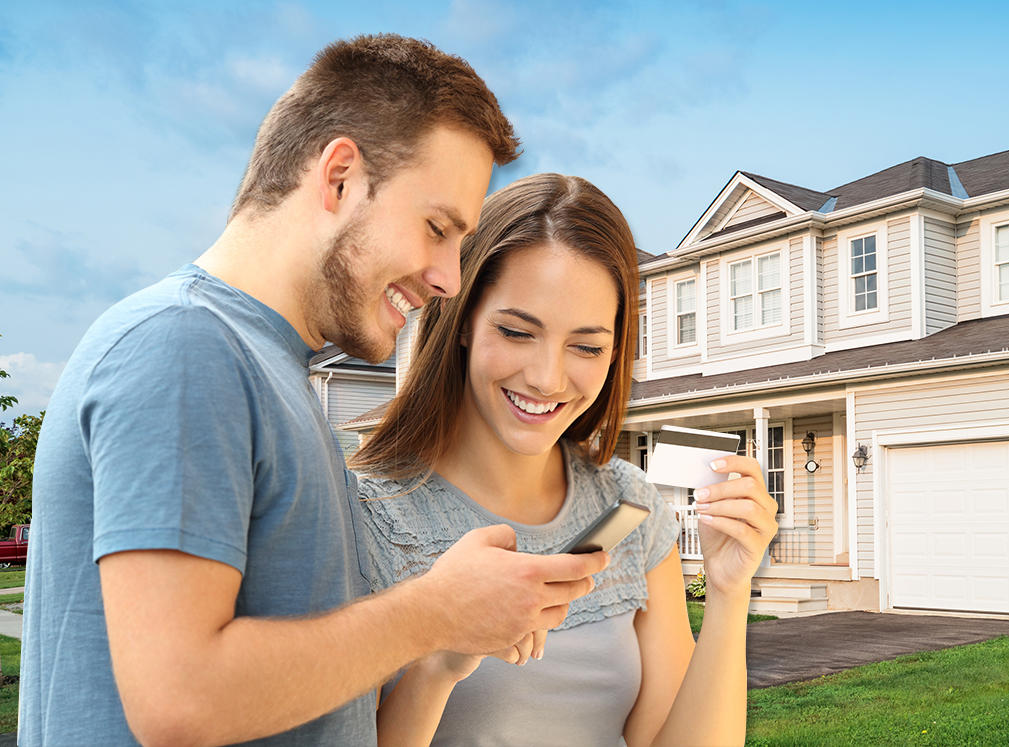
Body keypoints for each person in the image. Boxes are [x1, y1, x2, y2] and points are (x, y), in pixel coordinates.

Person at [21, 36, 607, 746]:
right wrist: (433, 610)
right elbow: (181, 700)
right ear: (338, 179)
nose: (449, 277)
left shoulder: (270, 372)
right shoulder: (184, 346)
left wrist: (437, 653)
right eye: (436, 228)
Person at [352, 172, 779, 746]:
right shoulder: (365, 516)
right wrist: (436, 658)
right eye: (516, 332)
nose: (548, 378)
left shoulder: (628, 508)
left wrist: (727, 593)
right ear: (462, 323)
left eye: (585, 346)